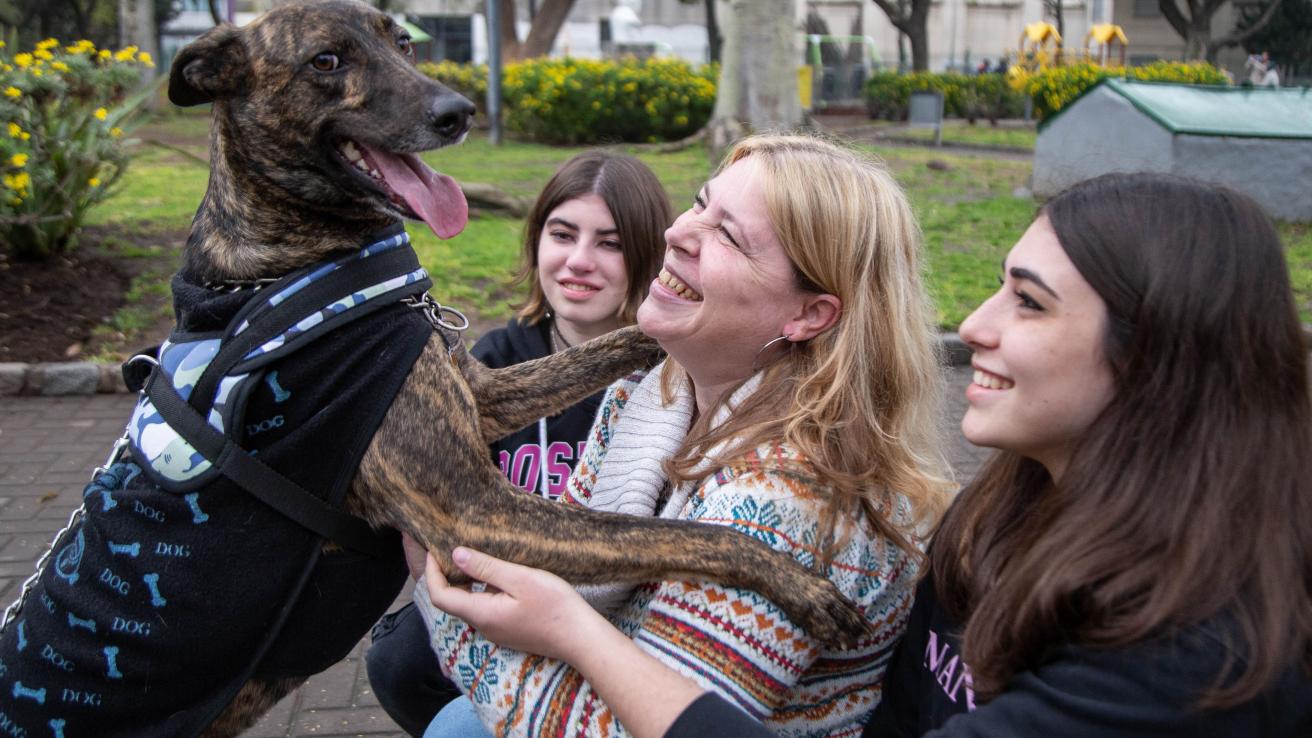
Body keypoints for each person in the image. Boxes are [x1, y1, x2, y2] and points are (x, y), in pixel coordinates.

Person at [425, 173, 1312, 738]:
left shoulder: (1183, 663)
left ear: (1154, 358)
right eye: (699, 201)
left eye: (1030, 304)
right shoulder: (1005, 511)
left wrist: (531, 624)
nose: (973, 327)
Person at [415, 134, 954, 737]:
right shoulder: (649, 399)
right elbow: (556, 568)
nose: (677, 232)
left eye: (728, 235)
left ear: (808, 316)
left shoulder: (790, 505)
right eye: (700, 203)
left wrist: (449, 611)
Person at [366, 150, 671, 737]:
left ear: (647, 256)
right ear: (536, 242)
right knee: (398, 662)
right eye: (563, 234)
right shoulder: (494, 363)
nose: (579, 261)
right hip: (497, 592)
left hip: (613, 607)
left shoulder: (667, 382)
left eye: (610, 243)